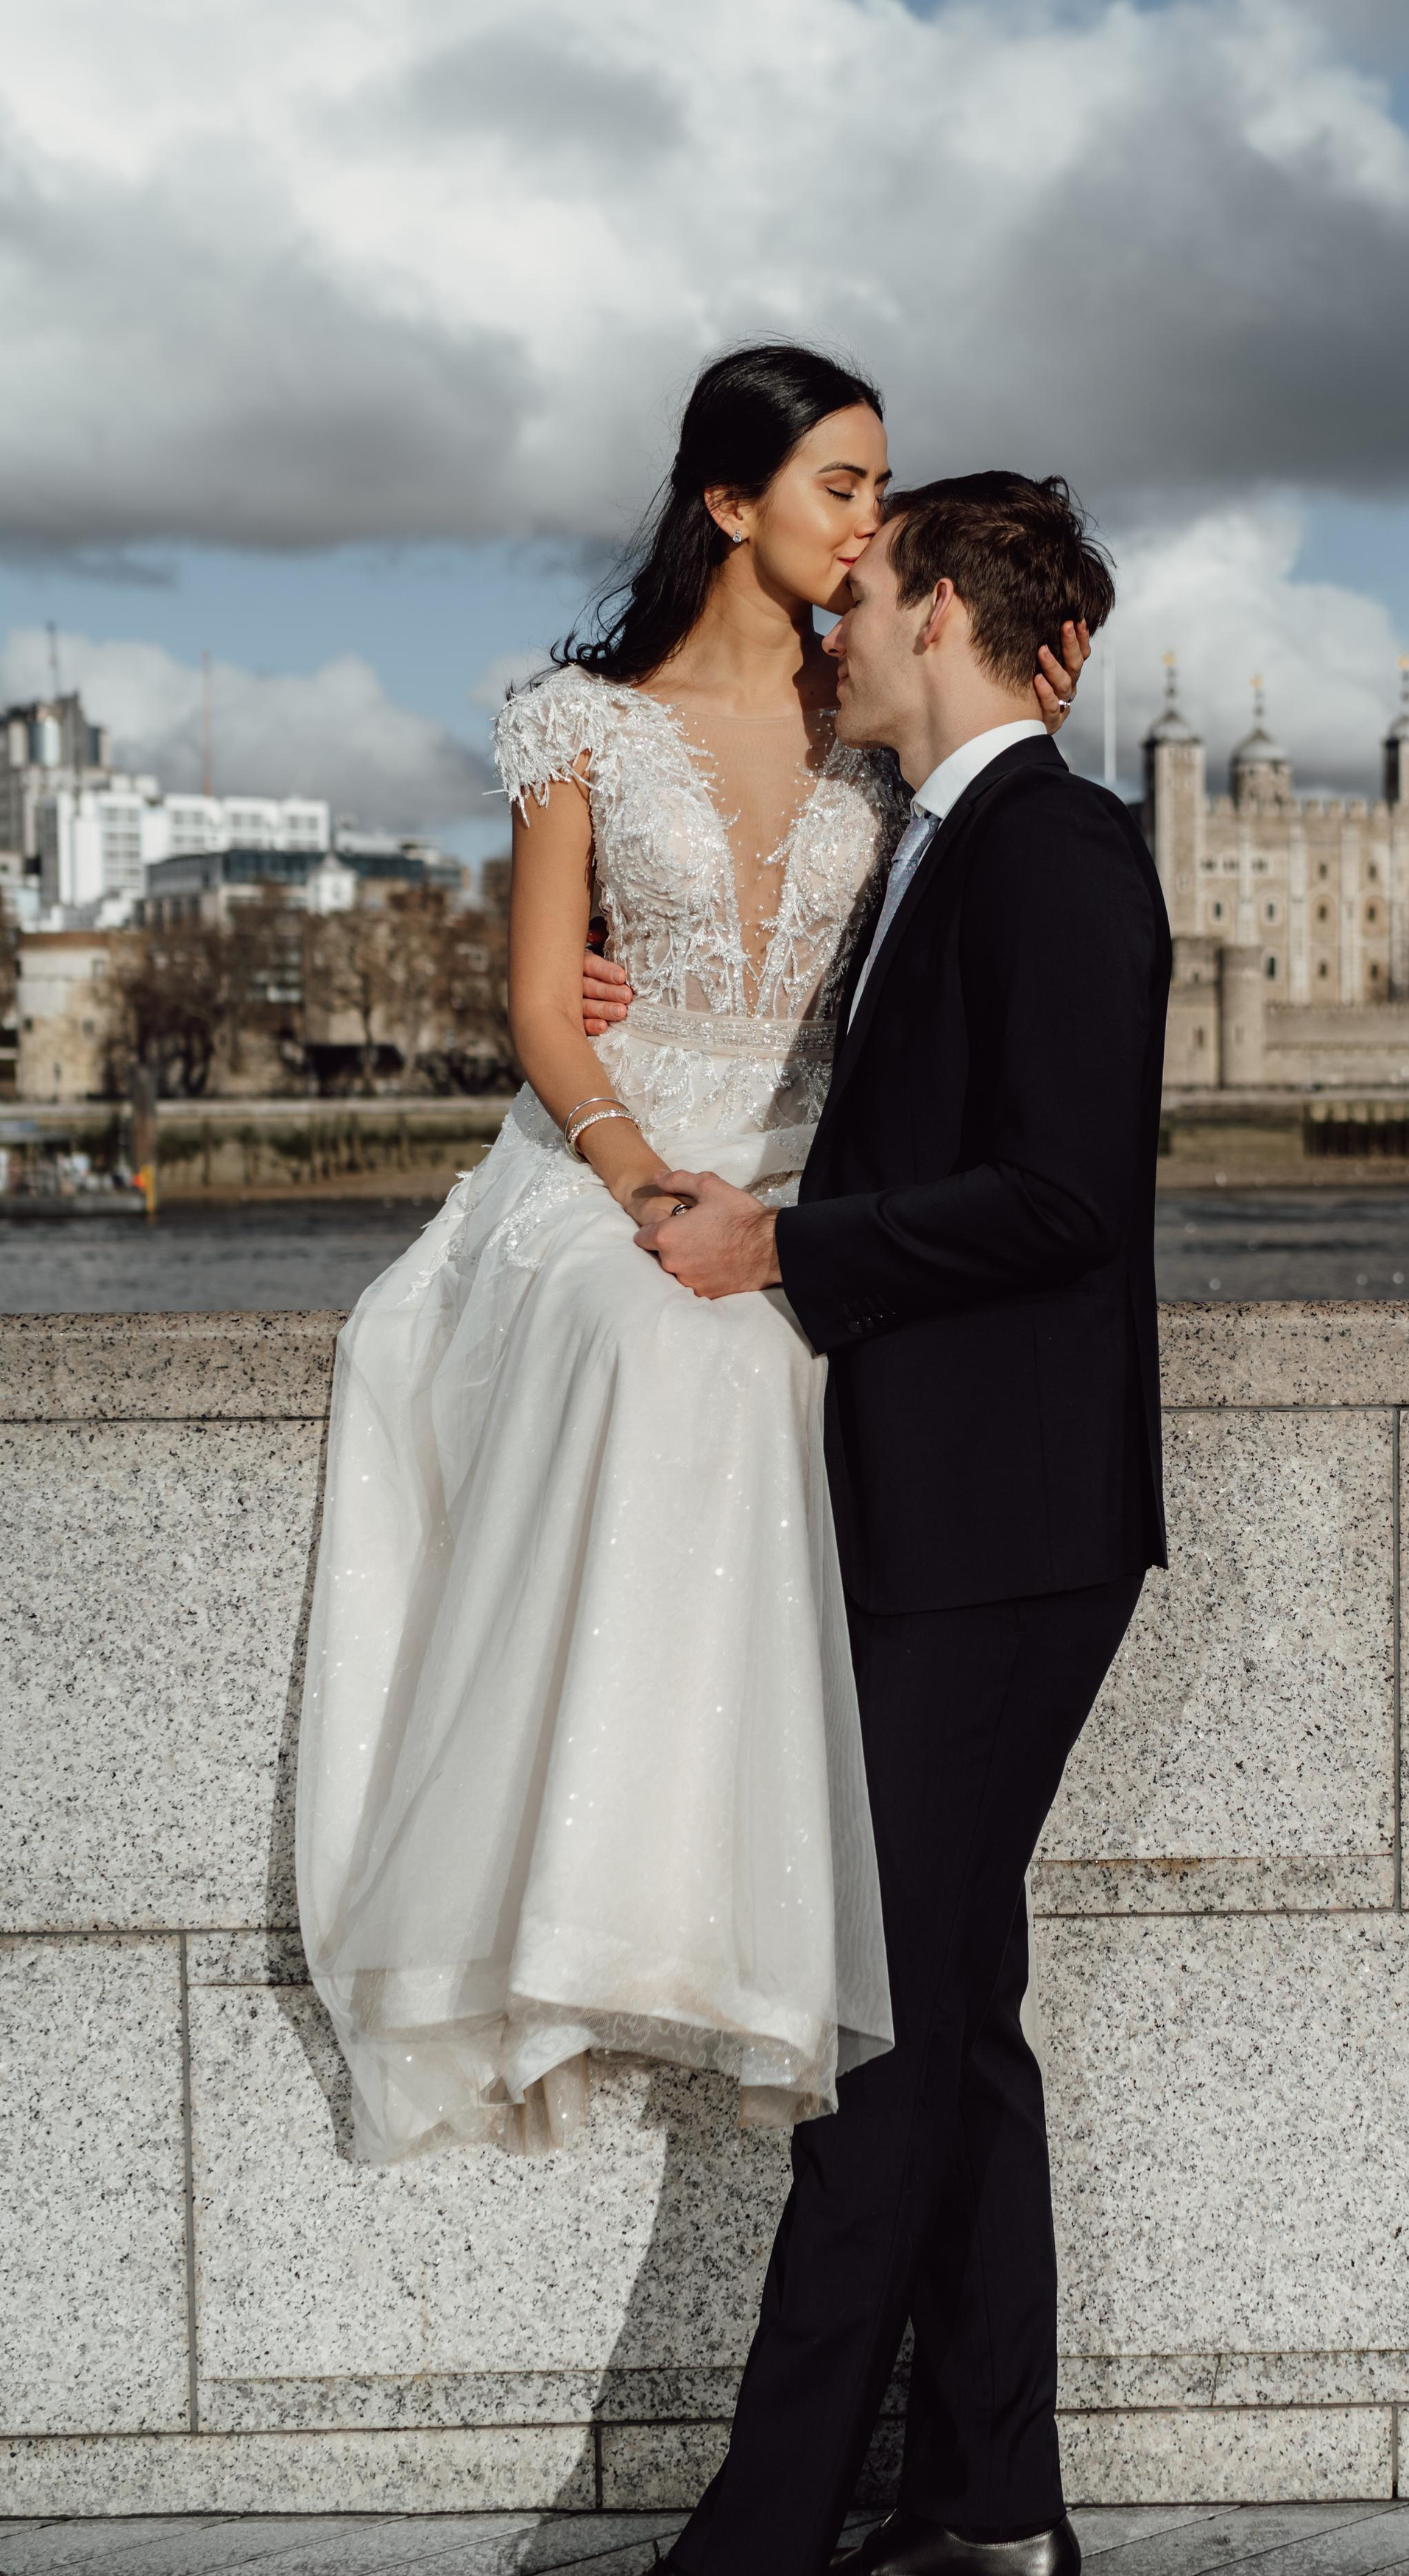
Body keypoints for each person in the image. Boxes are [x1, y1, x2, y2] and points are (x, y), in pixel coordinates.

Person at [442, 471, 1171, 2576]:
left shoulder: (1058, 849)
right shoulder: (949, 840)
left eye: (864, 595)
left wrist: (793, 1253)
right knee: (950, 2014)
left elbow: (1065, 1189)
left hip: (1007, 1527)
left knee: (871, 2054)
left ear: (939, 606)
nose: (830, 631)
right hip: (956, 1505)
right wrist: (598, 997)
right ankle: (991, 2505)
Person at [295, 345, 1087, 2166]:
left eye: (879, 490)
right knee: (674, 1346)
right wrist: (640, 1173)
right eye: (839, 485)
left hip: (812, 1154)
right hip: (609, 1143)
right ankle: (601, 1904)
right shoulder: (576, 721)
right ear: (729, 503)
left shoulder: (879, 718)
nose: (870, 522)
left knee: (789, 1353)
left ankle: (749, 1907)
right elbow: (539, 1005)